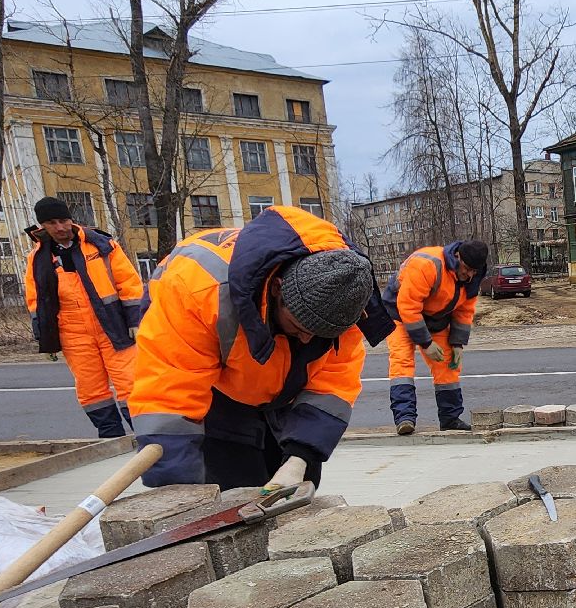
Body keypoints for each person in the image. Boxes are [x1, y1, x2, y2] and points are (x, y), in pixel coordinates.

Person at [129, 205, 393, 490]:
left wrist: (299, 458)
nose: (306, 340)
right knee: (236, 486)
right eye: (299, 328)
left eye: (318, 335)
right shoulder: (197, 291)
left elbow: (333, 384)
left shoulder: (346, 299)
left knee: (294, 491)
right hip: (219, 391)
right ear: (277, 288)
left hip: (284, 387)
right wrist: (179, 496)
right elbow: (169, 397)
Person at [24, 196, 144, 438]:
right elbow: (36, 300)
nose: (59, 227)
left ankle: (146, 437)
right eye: (51, 223)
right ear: (42, 227)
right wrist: (45, 337)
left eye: (63, 220)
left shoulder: (101, 245)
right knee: (91, 389)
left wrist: (135, 320)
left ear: (71, 219)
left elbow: (129, 284)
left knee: (132, 382)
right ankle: (112, 439)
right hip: (73, 333)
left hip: (114, 327)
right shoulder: (37, 259)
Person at [384, 240, 488, 434]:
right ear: (457, 257)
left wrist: (457, 343)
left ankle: (450, 419)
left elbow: (465, 310)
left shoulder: (473, 276)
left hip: (435, 318)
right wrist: (426, 343)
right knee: (402, 363)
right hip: (399, 314)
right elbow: (408, 306)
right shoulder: (427, 265)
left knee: (449, 365)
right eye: (467, 269)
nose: (470, 275)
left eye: (474, 271)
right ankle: (405, 418)